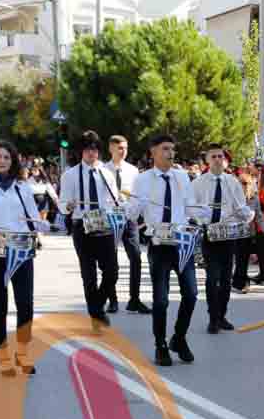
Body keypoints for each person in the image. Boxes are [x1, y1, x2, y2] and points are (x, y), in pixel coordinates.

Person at [0, 140, 47, 375]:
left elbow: (33, 217)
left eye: (6, 157)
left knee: (25, 302)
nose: (2, 161)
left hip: (21, 246)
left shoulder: (22, 187)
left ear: (13, 161)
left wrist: (41, 225)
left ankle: (22, 352)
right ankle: (2, 354)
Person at [128, 135, 200, 368]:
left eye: (172, 149)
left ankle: (179, 337)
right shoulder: (142, 180)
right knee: (160, 300)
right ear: (153, 152)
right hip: (158, 243)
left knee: (191, 294)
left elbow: (190, 207)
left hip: (182, 242)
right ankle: (160, 344)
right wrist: (136, 205)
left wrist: (206, 212)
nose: (170, 153)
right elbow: (132, 212)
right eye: (165, 149)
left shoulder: (182, 177)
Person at [60, 132, 125, 329]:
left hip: (103, 225)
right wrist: (68, 206)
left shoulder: (106, 173)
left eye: (95, 149)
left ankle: (97, 306)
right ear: (81, 151)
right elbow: (62, 204)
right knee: (89, 275)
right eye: (88, 149)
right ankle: (96, 315)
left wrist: (119, 206)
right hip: (82, 225)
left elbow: (114, 201)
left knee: (112, 271)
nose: (92, 153)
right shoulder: (70, 175)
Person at [192, 142, 255, 336]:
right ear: (207, 160)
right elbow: (191, 208)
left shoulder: (232, 181)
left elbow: (240, 206)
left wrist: (247, 215)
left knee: (227, 279)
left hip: (228, 234)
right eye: (214, 157)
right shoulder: (198, 183)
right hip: (210, 234)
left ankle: (222, 315)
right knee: (212, 278)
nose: (218, 160)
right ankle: (213, 318)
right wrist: (204, 219)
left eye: (221, 156)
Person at [105, 136, 150, 316]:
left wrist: (137, 212)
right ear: (111, 149)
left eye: (125, 148)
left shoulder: (133, 171)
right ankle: (112, 300)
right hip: (110, 220)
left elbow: (138, 195)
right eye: (119, 148)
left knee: (136, 258)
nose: (123, 151)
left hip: (129, 218)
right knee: (110, 261)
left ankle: (134, 300)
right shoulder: (102, 170)